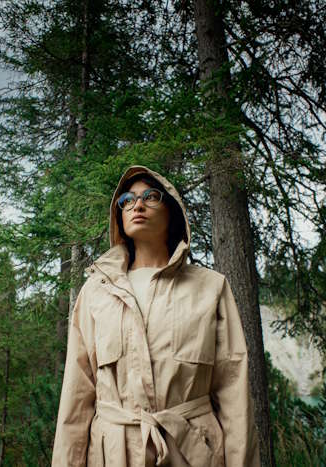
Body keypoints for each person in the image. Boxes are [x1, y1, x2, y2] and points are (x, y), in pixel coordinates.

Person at [52, 165, 260, 466]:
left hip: (191, 453)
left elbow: (234, 392)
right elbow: (76, 397)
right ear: (119, 216)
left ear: (171, 211)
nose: (137, 205)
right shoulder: (95, 293)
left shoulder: (210, 288)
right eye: (127, 200)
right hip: (113, 454)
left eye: (150, 196)